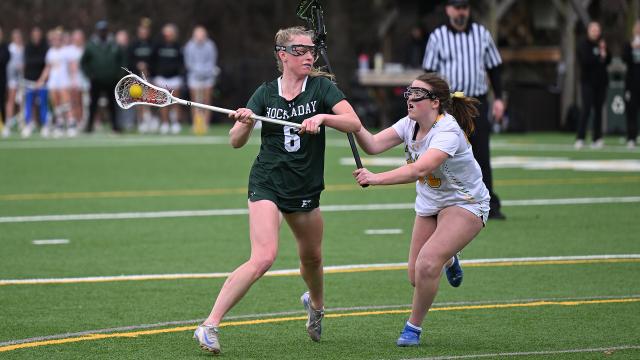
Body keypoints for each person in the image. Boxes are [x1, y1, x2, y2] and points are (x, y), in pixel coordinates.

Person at [193, 26, 361, 354]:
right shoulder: (265, 94)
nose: (309, 55)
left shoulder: (322, 89)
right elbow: (235, 142)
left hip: (305, 186)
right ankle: (209, 325)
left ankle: (316, 305)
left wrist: (324, 118)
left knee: (312, 257)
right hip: (267, 181)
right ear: (283, 55)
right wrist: (244, 123)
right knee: (264, 255)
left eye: (311, 50)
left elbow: (354, 123)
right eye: (300, 50)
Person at [352, 72, 489, 347]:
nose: (410, 99)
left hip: (465, 202)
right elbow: (373, 144)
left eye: (417, 94)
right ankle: (450, 258)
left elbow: (420, 169)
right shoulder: (409, 124)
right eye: (409, 92)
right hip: (430, 204)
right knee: (416, 277)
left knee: (427, 264)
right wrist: (347, 119)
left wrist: (375, 178)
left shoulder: (448, 131)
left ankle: (412, 328)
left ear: (435, 102)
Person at [422, 0, 505, 220]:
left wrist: (499, 98)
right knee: (444, 153)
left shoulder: (481, 34)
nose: (461, 12)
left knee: (481, 153)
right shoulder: (438, 36)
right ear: (448, 9)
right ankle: (444, 202)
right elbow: (429, 74)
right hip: (448, 104)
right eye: (457, 7)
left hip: (475, 102)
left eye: (465, 8)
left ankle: (489, 203)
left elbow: (494, 67)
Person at [81, 20, 125, 134]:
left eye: (104, 30)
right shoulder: (91, 45)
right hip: (96, 80)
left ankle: (115, 125)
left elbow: (122, 60)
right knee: (93, 104)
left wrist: (119, 74)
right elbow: (83, 63)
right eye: (101, 31)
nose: (103, 33)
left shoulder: (114, 43)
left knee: (113, 104)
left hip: (111, 79)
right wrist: (90, 75)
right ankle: (90, 125)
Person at [575, 20, 610, 150]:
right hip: (587, 82)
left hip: (601, 82)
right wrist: (598, 58)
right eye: (593, 30)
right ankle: (580, 137)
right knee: (586, 109)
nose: (595, 32)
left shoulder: (602, 44)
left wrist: (604, 54)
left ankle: (597, 138)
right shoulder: (583, 44)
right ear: (589, 31)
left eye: (597, 30)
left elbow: (608, 60)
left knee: (599, 110)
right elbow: (585, 61)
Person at [37, 28, 76, 137]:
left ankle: (71, 123)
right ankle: (59, 124)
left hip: (64, 80)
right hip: (53, 81)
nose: (56, 41)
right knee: (56, 104)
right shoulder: (50, 52)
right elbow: (47, 68)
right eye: (54, 39)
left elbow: (72, 66)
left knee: (66, 103)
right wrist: (41, 80)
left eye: (58, 39)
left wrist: (73, 79)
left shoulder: (66, 51)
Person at [184, 25, 219, 134]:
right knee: (194, 102)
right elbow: (188, 63)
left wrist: (204, 72)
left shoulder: (210, 45)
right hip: (194, 77)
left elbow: (212, 61)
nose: (200, 37)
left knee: (207, 101)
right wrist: (197, 71)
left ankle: (206, 124)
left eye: (202, 35)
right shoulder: (189, 46)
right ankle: (196, 124)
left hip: (207, 77)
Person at [152, 23, 184, 135]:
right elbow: (153, 60)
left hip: (174, 78)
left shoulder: (178, 46)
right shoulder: (158, 45)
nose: (167, 35)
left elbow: (181, 62)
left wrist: (179, 73)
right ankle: (165, 123)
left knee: (175, 101)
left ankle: (175, 123)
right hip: (161, 78)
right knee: (163, 102)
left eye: (170, 33)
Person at [128, 19, 155, 133]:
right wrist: (138, 66)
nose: (144, 33)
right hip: (137, 77)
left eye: (146, 31)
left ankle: (152, 119)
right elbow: (129, 60)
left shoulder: (153, 44)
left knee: (151, 99)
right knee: (139, 100)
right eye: (142, 31)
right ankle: (142, 121)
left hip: (150, 76)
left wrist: (148, 67)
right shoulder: (133, 44)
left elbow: (156, 59)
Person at [22, 27, 49, 137]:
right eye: (35, 34)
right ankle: (28, 125)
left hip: (42, 81)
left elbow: (45, 62)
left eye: (38, 34)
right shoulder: (28, 47)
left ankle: (45, 126)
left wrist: (41, 80)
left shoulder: (45, 47)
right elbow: (29, 61)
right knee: (28, 104)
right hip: (29, 80)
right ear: (32, 35)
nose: (36, 36)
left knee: (43, 104)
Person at [623, 20, 640, 150]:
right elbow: (625, 59)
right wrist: (633, 48)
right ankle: (631, 137)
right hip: (632, 83)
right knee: (631, 111)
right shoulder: (629, 44)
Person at [3, 29, 23, 137]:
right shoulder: (10, 48)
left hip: (22, 79)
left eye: (19, 37)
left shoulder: (23, 49)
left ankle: (21, 122)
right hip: (12, 78)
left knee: (21, 102)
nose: (18, 39)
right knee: (11, 100)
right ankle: (8, 122)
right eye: (16, 37)